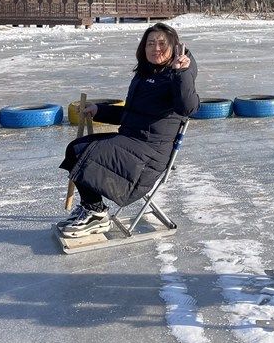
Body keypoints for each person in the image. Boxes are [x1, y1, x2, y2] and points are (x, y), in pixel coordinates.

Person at [58, 22, 200, 237]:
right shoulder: (146, 75)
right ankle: (93, 207)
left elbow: (188, 107)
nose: (156, 48)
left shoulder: (178, 77)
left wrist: (182, 73)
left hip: (149, 154)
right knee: (76, 147)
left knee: (83, 153)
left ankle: (96, 215)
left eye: (162, 43)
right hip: (131, 141)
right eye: (150, 43)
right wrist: (100, 110)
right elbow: (131, 114)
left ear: (175, 47)